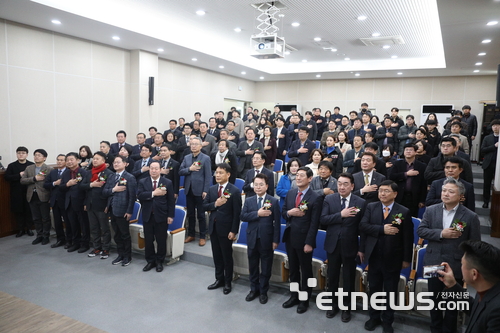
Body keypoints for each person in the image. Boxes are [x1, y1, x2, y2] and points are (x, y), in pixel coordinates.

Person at [417, 177, 481, 333]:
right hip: (433, 262)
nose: (445, 194)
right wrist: (441, 233)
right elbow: (421, 231)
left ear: (460, 196)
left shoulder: (470, 216)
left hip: (456, 264)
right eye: (444, 190)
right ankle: (435, 328)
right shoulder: (431, 210)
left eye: (451, 191)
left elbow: (474, 244)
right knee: (435, 300)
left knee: (453, 303)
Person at [359, 180, 413, 333]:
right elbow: (363, 226)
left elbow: (407, 238)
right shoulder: (371, 207)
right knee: (374, 288)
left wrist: (406, 259)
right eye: (380, 190)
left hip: (393, 258)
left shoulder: (403, 211)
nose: (382, 193)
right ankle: (373, 317)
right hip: (374, 256)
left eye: (386, 191)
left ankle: (388, 320)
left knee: (390, 291)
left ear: (395, 194)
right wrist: (382, 229)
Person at [320, 173, 366, 322]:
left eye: (345, 184)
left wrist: (362, 248)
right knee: (332, 276)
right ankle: (333, 304)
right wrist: (341, 214)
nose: (341, 186)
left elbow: (363, 228)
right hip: (332, 244)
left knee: (348, 277)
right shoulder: (329, 199)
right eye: (339, 183)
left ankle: (347, 307)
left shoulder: (360, 202)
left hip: (351, 245)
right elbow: (323, 219)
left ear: (352, 186)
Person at [281, 167, 323, 314]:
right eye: (296, 175)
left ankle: (305, 299)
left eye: (301, 176)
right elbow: (284, 213)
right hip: (290, 237)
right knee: (293, 270)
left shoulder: (315, 197)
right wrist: (289, 212)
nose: (298, 178)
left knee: (306, 272)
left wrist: (309, 242)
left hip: (305, 239)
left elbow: (314, 223)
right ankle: (294, 296)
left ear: (310, 178)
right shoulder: (291, 193)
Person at [436, 240, 500, 333]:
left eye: (462, 264)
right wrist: (452, 285)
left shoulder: (497, 313)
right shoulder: (486, 289)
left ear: (474, 274)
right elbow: (475, 309)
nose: (460, 267)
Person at [240, 173, 281, 304]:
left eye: (261, 184)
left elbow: (277, 223)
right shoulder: (249, 200)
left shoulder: (273, 201)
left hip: (267, 239)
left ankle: (263, 291)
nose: (258, 187)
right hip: (252, 237)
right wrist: (257, 213)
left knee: (266, 266)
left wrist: (275, 240)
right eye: (256, 184)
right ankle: (253, 289)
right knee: (252, 265)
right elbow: (243, 216)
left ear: (267, 186)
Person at [204, 163, 242, 294]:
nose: (217, 175)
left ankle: (227, 282)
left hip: (227, 229)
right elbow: (204, 206)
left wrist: (234, 230)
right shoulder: (212, 189)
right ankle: (218, 279)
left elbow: (237, 214)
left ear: (228, 174)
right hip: (213, 227)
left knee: (227, 257)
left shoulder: (235, 191)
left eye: (221, 173)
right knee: (217, 255)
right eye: (216, 173)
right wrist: (215, 204)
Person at [137, 161, 175, 273]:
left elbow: (171, 201)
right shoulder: (143, 181)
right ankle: (150, 261)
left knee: (161, 240)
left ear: (160, 170)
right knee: (148, 240)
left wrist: (170, 215)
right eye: (151, 168)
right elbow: (140, 196)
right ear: (149, 170)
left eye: (156, 168)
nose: (153, 170)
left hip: (161, 215)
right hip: (147, 215)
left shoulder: (167, 182)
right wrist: (153, 193)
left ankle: (159, 261)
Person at [103, 156, 137, 267]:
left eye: (118, 162)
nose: (115, 164)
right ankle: (120, 254)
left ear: (125, 164)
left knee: (124, 234)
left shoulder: (130, 177)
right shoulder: (112, 176)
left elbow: (132, 196)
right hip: (112, 209)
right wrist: (114, 189)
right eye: (114, 162)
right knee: (117, 234)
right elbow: (105, 192)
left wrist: (129, 211)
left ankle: (127, 256)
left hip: (123, 210)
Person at [81, 152, 114, 259]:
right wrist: (92, 184)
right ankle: (96, 247)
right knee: (94, 228)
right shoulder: (89, 173)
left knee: (104, 228)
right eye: (94, 159)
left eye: (97, 159)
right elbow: (82, 187)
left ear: (103, 161)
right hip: (90, 204)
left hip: (102, 205)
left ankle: (106, 248)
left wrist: (108, 205)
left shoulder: (109, 173)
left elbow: (109, 191)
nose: (94, 160)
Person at [180, 137, 212, 246]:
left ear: (201, 146)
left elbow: (208, 176)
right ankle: (191, 234)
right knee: (190, 214)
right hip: (189, 190)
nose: (193, 146)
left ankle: (203, 236)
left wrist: (206, 190)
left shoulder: (205, 158)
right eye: (192, 144)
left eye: (196, 144)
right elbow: (181, 171)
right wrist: (190, 169)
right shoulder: (187, 158)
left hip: (201, 190)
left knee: (201, 215)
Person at [20, 149, 53, 245]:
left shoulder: (48, 169)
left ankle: (46, 236)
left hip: (44, 196)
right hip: (31, 196)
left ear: (44, 158)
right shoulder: (29, 168)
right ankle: (39, 235)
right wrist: (34, 178)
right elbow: (22, 181)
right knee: (36, 218)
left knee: (45, 218)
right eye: (35, 155)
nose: (36, 157)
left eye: (39, 155)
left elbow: (50, 184)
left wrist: (50, 197)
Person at [60, 152, 90, 253]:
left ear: (77, 160)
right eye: (67, 160)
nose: (69, 162)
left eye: (71, 159)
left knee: (84, 225)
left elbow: (87, 189)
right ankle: (75, 243)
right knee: (73, 224)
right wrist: (67, 185)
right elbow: (61, 188)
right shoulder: (65, 173)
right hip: (69, 202)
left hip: (81, 202)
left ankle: (85, 244)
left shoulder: (84, 172)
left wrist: (86, 203)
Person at [390, 143, 427, 217]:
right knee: (397, 218)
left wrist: (422, 200)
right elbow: (391, 176)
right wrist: (406, 174)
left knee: (412, 218)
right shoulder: (397, 164)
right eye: (406, 150)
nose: (408, 151)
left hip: (414, 198)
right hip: (399, 196)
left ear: (416, 152)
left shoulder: (422, 166)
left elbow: (423, 184)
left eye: (410, 150)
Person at [4, 146, 34, 237]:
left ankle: (29, 229)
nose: (21, 155)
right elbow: (7, 177)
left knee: (29, 210)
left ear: (27, 155)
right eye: (19, 153)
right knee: (19, 211)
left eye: (23, 153)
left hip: (29, 191)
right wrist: (19, 175)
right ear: (16, 154)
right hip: (16, 192)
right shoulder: (12, 165)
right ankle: (21, 230)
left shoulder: (31, 165)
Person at [43, 154, 70, 248]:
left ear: (66, 162)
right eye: (58, 160)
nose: (59, 162)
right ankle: (60, 239)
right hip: (55, 200)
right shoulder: (53, 172)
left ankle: (69, 240)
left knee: (68, 221)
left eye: (62, 160)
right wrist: (54, 183)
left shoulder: (69, 172)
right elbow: (46, 184)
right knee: (57, 222)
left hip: (66, 201)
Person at [480, 119, 500, 208]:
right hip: (489, 163)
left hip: (498, 164)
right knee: (487, 184)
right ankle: (486, 201)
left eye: (497, 125)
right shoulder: (487, 138)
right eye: (493, 126)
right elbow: (482, 150)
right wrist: (494, 146)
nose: (495, 127)